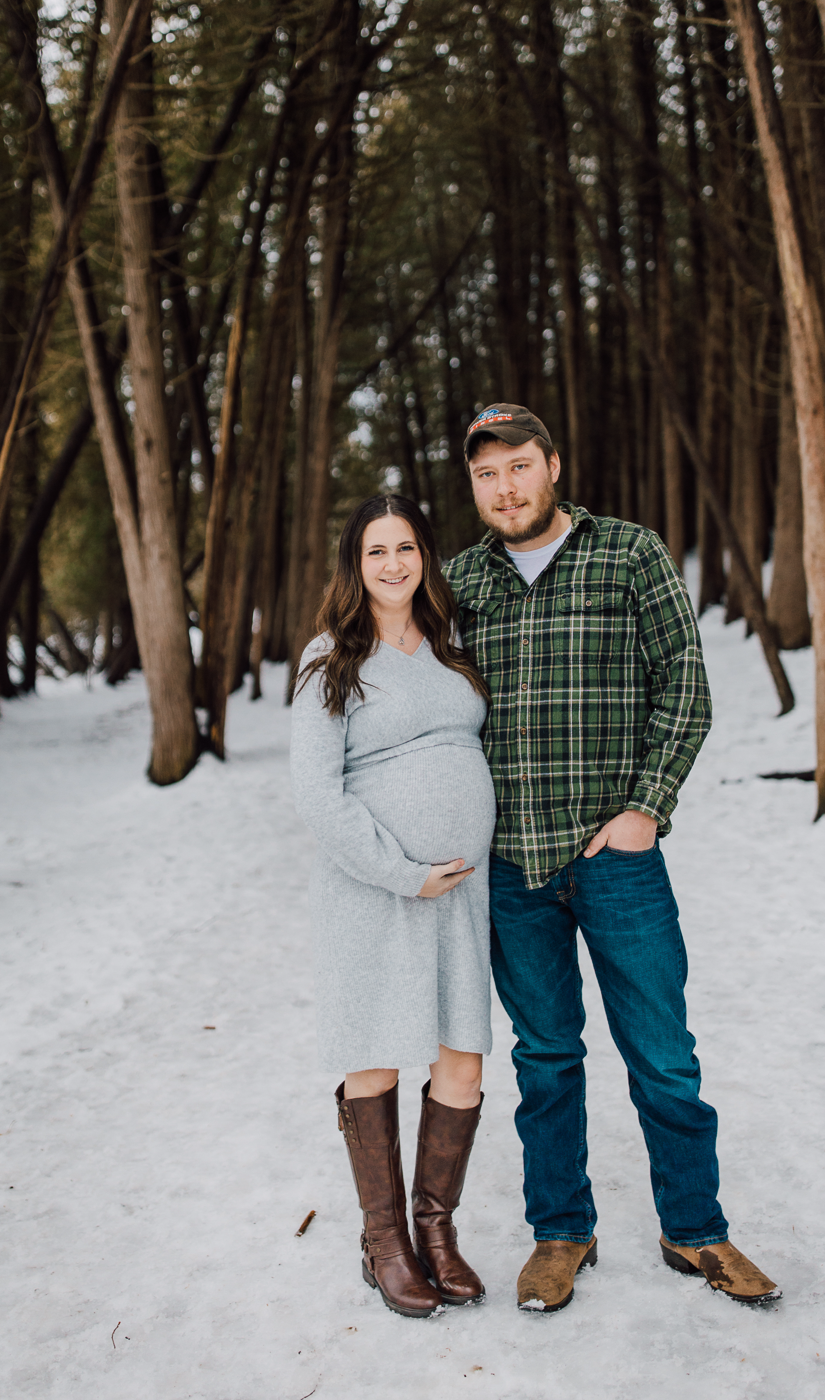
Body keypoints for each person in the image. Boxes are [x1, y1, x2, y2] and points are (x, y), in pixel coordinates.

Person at [444, 403, 780, 1311]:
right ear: (471, 485)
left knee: (662, 1052)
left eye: (517, 465)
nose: (504, 486)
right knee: (545, 1056)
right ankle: (561, 1231)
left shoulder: (628, 552)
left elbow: (685, 686)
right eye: (486, 474)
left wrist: (645, 807)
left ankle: (694, 1229)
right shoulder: (458, 582)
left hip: (615, 856)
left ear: (551, 464)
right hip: (510, 864)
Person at [290, 494, 496, 1318]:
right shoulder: (329, 659)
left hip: (460, 895)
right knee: (374, 1052)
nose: (393, 564)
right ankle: (384, 1246)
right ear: (355, 564)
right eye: (376, 551)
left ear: (424, 556)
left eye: (405, 547)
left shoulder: (451, 646)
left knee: (461, 1058)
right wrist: (400, 870)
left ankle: (435, 1233)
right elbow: (315, 794)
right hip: (374, 890)